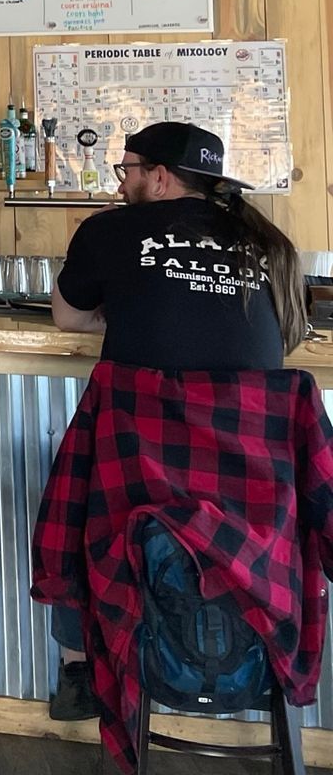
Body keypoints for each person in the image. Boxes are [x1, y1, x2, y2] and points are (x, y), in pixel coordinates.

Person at [43, 120, 307, 721]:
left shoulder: (111, 230)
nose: (123, 184)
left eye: (127, 171)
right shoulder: (269, 242)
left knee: (82, 494)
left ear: (158, 178)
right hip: (252, 503)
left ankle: (83, 663)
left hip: (141, 486)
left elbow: (68, 320)